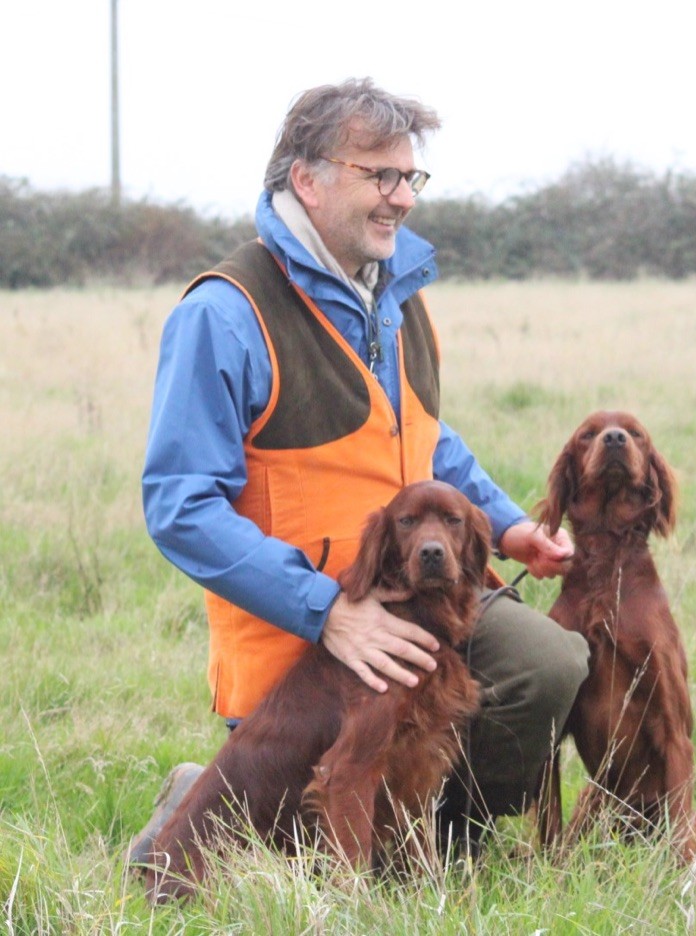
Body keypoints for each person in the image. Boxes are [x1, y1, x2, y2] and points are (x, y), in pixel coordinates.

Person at [132, 78, 589, 862]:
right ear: (306, 180)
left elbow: (422, 441)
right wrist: (328, 612)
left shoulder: (397, 296)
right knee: (303, 839)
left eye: (411, 177)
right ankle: (222, 816)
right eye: (380, 175)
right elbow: (180, 506)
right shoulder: (225, 313)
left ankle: (437, 846)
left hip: (423, 596)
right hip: (304, 640)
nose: (402, 198)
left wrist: (510, 525)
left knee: (549, 664)